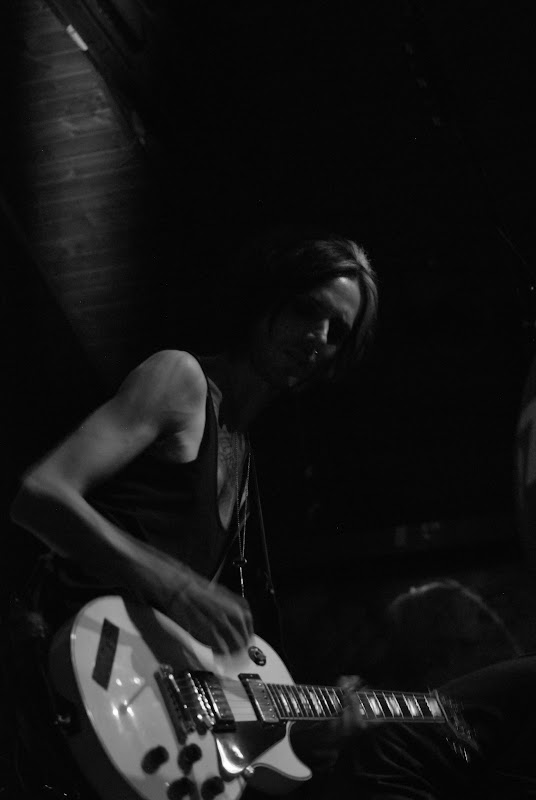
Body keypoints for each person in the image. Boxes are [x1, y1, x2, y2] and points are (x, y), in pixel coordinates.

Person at [9, 229, 378, 798]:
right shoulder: (181, 380)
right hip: (54, 678)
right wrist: (176, 584)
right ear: (268, 299)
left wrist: (301, 742)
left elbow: (207, 706)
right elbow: (40, 493)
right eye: (308, 309)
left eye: (338, 331)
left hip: (128, 712)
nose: (319, 337)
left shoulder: (246, 459)